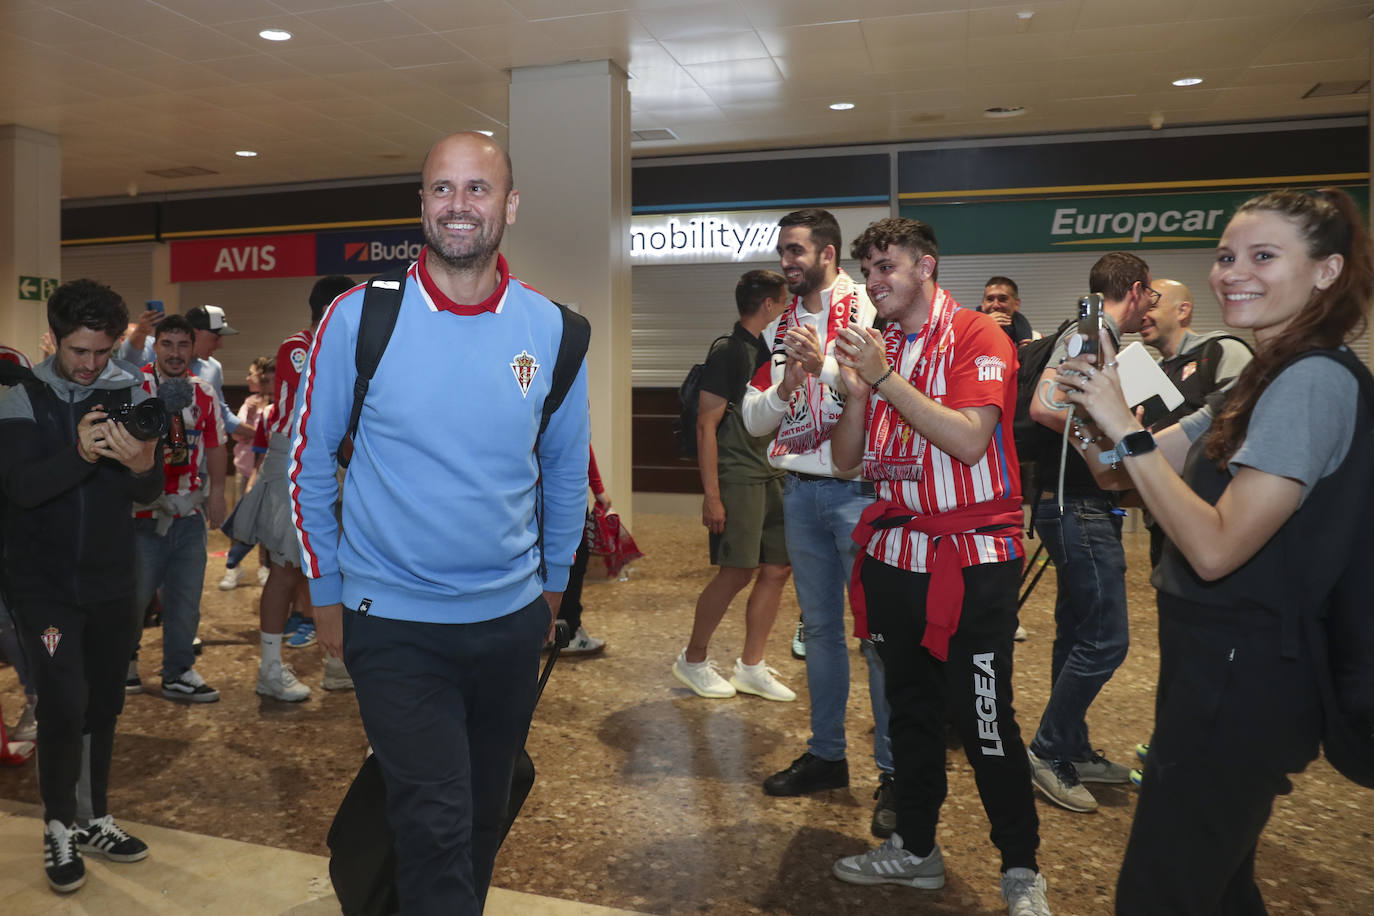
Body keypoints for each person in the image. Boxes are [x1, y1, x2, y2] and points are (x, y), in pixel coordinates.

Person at [1049, 188, 1372, 915]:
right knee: (1218, 884)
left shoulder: (1311, 380)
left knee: (1163, 891)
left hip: (1250, 674)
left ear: (1326, 273)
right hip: (1214, 662)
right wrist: (1085, 413)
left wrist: (1121, 431)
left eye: (1264, 256)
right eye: (1227, 256)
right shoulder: (1255, 378)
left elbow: (1215, 547)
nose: (1234, 273)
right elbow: (1121, 472)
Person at [290, 131, 589, 915]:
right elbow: (308, 462)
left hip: (508, 621)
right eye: (443, 190)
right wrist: (323, 590)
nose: (459, 206)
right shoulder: (360, 320)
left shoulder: (556, 331)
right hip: (391, 622)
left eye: (478, 189)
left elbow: (563, 472)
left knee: (481, 815)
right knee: (435, 823)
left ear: (510, 205)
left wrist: (553, 589)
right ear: (422, 204)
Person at [825, 217, 1049, 916]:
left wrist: (884, 379)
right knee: (910, 712)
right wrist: (859, 392)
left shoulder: (980, 336)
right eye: (868, 272)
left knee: (981, 719)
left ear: (926, 267)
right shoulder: (881, 347)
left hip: (970, 559)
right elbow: (845, 462)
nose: (874, 283)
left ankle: (1021, 869)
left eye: (887, 268)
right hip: (896, 552)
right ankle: (915, 849)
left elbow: (970, 440)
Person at [0, 279, 163, 893]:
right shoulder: (21, 394)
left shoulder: (131, 387)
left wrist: (145, 464)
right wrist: (82, 453)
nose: (93, 365)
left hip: (113, 581)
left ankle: (95, 818)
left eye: (103, 351)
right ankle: (58, 825)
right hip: (42, 586)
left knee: (104, 704)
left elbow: (147, 489)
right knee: (63, 702)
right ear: (54, 339)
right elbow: (21, 486)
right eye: (79, 352)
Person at [741, 208, 896, 838]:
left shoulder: (869, 307)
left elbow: (887, 387)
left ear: (828, 254)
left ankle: (895, 772)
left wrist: (827, 368)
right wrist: (791, 382)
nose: (787, 262)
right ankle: (828, 755)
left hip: (859, 492)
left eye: (797, 251)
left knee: (878, 639)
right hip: (801, 492)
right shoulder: (780, 328)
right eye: (783, 251)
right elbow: (754, 420)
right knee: (823, 633)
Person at [1022, 252, 1155, 812]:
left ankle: (1071, 746)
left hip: (1071, 503)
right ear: (1140, 290)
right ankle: (1047, 750)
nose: (1151, 307)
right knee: (1106, 640)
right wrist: (1104, 451)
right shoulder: (1093, 331)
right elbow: (1047, 405)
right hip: (1076, 504)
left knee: (1077, 633)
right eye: (1150, 296)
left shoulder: (1094, 333)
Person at [233, 275, 357, 701]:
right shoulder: (300, 346)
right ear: (331, 309)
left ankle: (337, 663)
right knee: (286, 569)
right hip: (296, 460)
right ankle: (269, 668)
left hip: (331, 461)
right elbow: (311, 410)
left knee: (335, 565)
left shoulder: (343, 346)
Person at [672, 269, 793, 701]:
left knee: (777, 568)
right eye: (783, 301)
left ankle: (752, 666)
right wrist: (713, 496)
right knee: (737, 571)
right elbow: (707, 426)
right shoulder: (729, 351)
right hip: (738, 473)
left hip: (773, 471)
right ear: (768, 305)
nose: (787, 309)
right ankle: (693, 659)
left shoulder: (769, 350)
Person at [129, 314, 227, 702]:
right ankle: (124, 664)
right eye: (166, 344)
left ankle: (179, 670)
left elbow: (217, 444)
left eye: (182, 345)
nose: (174, 353)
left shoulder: (203, 391)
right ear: (156, 346)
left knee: (185, 598)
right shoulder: (134, 386)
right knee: (134, 597)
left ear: (193, 348)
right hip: (140, 514)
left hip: (188, 513)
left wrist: (218, 492)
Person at [219, 356, 274, 590]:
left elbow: (273, 437)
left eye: (252, 373)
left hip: (270, 473)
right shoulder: (249, 402)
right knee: (241, 521)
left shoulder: (277, 403)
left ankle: (266, 566)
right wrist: (254, 419)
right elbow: (238, 434)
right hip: (246, 470)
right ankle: (233, 566)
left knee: (268, 524)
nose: (248, 377)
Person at [554, 446, 611, 655]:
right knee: (574, 562)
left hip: (535, 494)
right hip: (566, 495)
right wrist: (598, 489)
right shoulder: (573, 411)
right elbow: (581, 444)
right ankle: (567, 633)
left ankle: (547, 631)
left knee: (543, 564)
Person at [981, 276, 1035, 344]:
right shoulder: (967, 332)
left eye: (1002, 299)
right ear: (982, 304)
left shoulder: (1034, 338)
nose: (995, 305)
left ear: (1016, 304)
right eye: (990, 299)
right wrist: (985, 326)